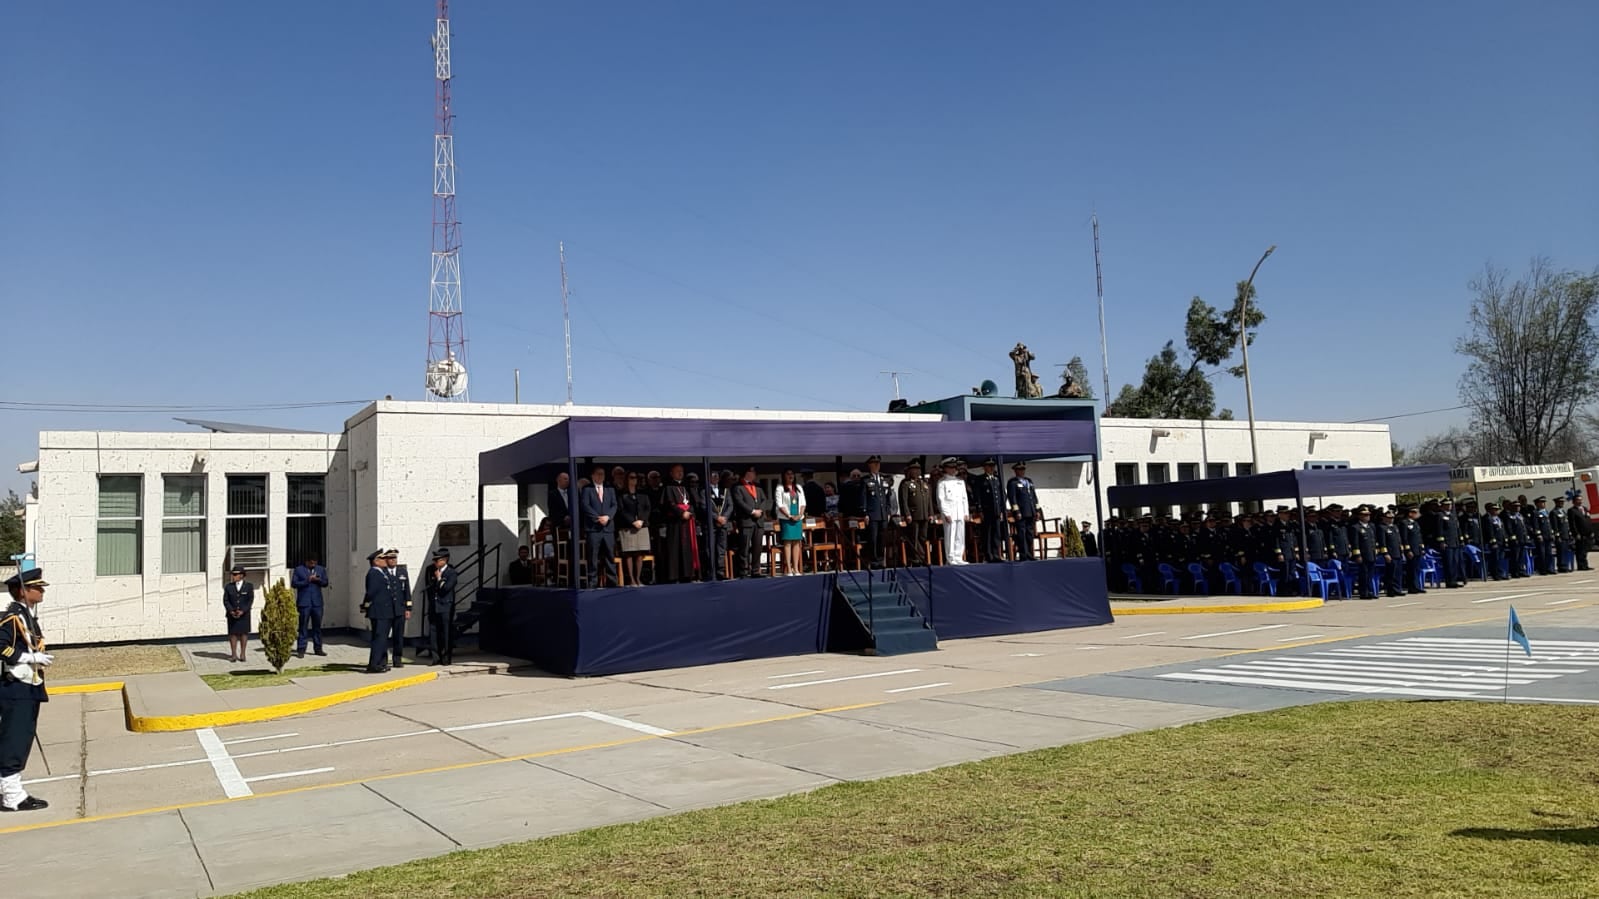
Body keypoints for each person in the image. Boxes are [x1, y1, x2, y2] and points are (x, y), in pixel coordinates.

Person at [0, 568, 51, 812]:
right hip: (16, 687)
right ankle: (12, 796)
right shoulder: (13, 617)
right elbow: (2, 647)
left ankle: (11, 790)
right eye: (37, 587)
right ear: (23, 591)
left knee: (21, 738)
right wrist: (28, 657)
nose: (41, 591)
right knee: (15, 741)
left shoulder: (28, 616)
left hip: (28, 686)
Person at [658, 465, 700, 583]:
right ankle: (674, 576)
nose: (680, 473)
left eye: (682, 471)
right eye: (678, 471)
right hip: (675, 523)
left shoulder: (687, 486)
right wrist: (681, 513)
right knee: (675, 549)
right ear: (671, 473)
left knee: (687, 548)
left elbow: (694, 502)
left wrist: (690, 512)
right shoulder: (668, 487)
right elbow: (669, 504)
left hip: (688, 522)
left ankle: (688, 574)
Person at [580, 465, 618, 588]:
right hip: (593, 529)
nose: (600, 476)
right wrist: (597, 518)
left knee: (609, 555)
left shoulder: (610, 489)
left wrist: (608, 517)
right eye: (598, 474)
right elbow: (585, 506)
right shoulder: (587, 489)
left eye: (602, 474)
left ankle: (612, 581)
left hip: (608, 528)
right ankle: (592, 582)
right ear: (592, 476)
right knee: (593, 556)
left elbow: (614, 505)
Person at [731, 466, 770, 578]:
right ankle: (743, 570)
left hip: (758, 521)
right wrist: (752, 511)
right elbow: (739, 502)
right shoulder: (738, 487)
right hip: (746, 520)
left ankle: (756, 570)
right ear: (747, 473)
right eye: (752, 472)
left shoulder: (757, 486)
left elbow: (764, 499)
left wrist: (761, 510)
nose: (754, 474)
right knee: (745, 546)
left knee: (758, 546)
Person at [617, 471, 653, 586]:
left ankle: (638, 578)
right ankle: (631, 579)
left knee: (639, 553)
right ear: (627, 479)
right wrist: (632, 521)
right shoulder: (622, 494)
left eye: (636, 478)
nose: (634, 480)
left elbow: (648, 508)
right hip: (628, 527)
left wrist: (642, 520)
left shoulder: (643, 493)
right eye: (631, 477)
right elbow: (621, 510)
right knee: (629, 553)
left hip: (641, 526)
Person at [291, 553, 329, 658]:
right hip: (304, 603)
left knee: (317, 626)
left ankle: (318, 648)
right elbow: (294, 584)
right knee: (303, 626)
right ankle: (301, 649)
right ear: (306, 562)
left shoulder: (320, 569)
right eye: (311, 562)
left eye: (315, 562)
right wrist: (308, 580)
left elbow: (325, 583)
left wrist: (318, 580)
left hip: (317, 603)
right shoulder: (299, 570)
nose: (313, 564)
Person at [860, 456, 895, 569]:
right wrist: (865, 513)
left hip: (883, 514)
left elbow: (887, 497)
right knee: (873, 538)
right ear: (869, 465)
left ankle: (880, 560)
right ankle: (874, 561)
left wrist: (888, 511)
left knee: (882, 538)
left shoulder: (884, 480)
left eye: (878, 464)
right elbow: (863, 497)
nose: (876, 466)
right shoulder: (866, 480)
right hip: (872, 514)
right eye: (874, 464)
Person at [898, 460, 935, 566]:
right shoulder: (906, 484)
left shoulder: (924, 484)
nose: (916, 472)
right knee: (913, 537)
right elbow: (903, 501)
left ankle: (922, 557)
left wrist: (930, 513)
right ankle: (915, 559)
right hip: (913, 515)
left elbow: (929, 501)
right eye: (914, 469)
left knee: (923, 537)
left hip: (924, 515)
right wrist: (907, 514)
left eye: (918, 469)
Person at [425, 548, 458, 665]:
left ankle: (446, 658)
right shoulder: (431, 571)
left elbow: (445, 589)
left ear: (444, 560)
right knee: (433, 633)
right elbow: (429, 588)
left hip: (445, 607)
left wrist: (439, 579)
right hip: (434, 606)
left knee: (446, 633)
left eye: (437, 560)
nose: (435, 563)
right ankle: (435, 657)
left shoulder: (451, 572)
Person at [936, 457, 971, 565]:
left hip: (960, 511)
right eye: (950, 467)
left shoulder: (960, 482)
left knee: (960, 535)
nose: (953, 470)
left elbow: (964, 498)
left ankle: (958, 556)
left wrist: (966, 512)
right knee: (950, 535)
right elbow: (941, 499)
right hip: (950, 512)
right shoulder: (942, 482)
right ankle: (950, 558)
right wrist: (945, 513)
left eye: (954, 467)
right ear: (945, 468)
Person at [700, 470, 733, 580]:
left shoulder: (725, 490)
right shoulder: (704, 491)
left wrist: (725, 518)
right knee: (710, 549)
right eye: (713, 476)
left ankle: (720, 572)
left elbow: (730, 506)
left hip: (723, 524)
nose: (715, 478)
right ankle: (711, 572)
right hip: (711, 525)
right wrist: (716, 517)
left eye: (716, 476)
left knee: (721, 549)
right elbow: (704, 507)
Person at [774, 469, 808, 576]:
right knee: (788, 542)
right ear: (784, 476)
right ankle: (789, 568)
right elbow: (780, 504)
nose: (791, 476)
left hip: (798, 518)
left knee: (797, 542)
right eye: (788, 474)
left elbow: (803, 503)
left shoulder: (798, 487)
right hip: (786, 518)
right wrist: (789, 516)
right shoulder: (780, 488)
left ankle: (796, 568)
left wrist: (799, 515)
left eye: (792, 474)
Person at [1006, 462, 1041, 562]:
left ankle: (1030, 554)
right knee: (1021, 534)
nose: (1021, 472)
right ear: (1015, 471)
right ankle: (1023, 555)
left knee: (1029, 534)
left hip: (1030, 512)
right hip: (1021, 513)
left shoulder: (1029, 481)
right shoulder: (1013, 482)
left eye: (1023, 469)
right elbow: (1012, 498)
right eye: (1019, 470)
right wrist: (1016, 511)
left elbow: (1034, 496)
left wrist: (1037, 510)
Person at [975, 459, 1007, 562]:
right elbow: (978, 496)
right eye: (989, 466)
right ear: (984, 467)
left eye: (993, 466)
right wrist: (980, 510)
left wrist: (1002, 509)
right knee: (987, 534)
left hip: (997, 510)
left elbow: (1002, 495)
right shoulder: (980, 479)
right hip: (987, 511)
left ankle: (996, 554)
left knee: (996, 533)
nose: (992, 468)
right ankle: (988, 555)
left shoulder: (997, 479)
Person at [222, 566, 255, 663]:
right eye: (233, 574)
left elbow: (250, 600)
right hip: (232, 614)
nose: (234, 576)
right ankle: (233, 654)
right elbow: (226, 600)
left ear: (241, 575)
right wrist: (231, 610)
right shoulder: (229, 586)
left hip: (244, 614)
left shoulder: (248, 586)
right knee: (233, 634)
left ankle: (243, 654)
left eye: (236, 574)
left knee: (244, 633)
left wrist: (243, 611)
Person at [1568, 495, 1593, 571]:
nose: (1580, 501)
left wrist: (1591, 531)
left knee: (1585, 550)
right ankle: (1581, 565)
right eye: (1578, 500)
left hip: (1587, 532)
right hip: (1580, 533)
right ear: (1574, 501)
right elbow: (1572, 523)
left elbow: (1589, 521)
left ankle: (1585, 564)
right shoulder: (1572, 510)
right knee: (1580, 550)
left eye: (1581, 500)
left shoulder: (1584, 509)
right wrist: (1576, 533)